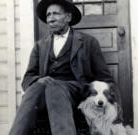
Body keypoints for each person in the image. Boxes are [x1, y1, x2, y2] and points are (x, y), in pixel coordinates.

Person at [9, 0, 121, 135]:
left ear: (68, 17)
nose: (50, 19)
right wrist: (39, 80)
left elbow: (105, 77)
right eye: (48, 15)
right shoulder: (40, 46)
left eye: (55, 14)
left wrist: (114, 107)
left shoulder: (88, 42)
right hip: (46, 91)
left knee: (54, 87)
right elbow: (27, 78)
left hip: (76, 91)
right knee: (35, 87)